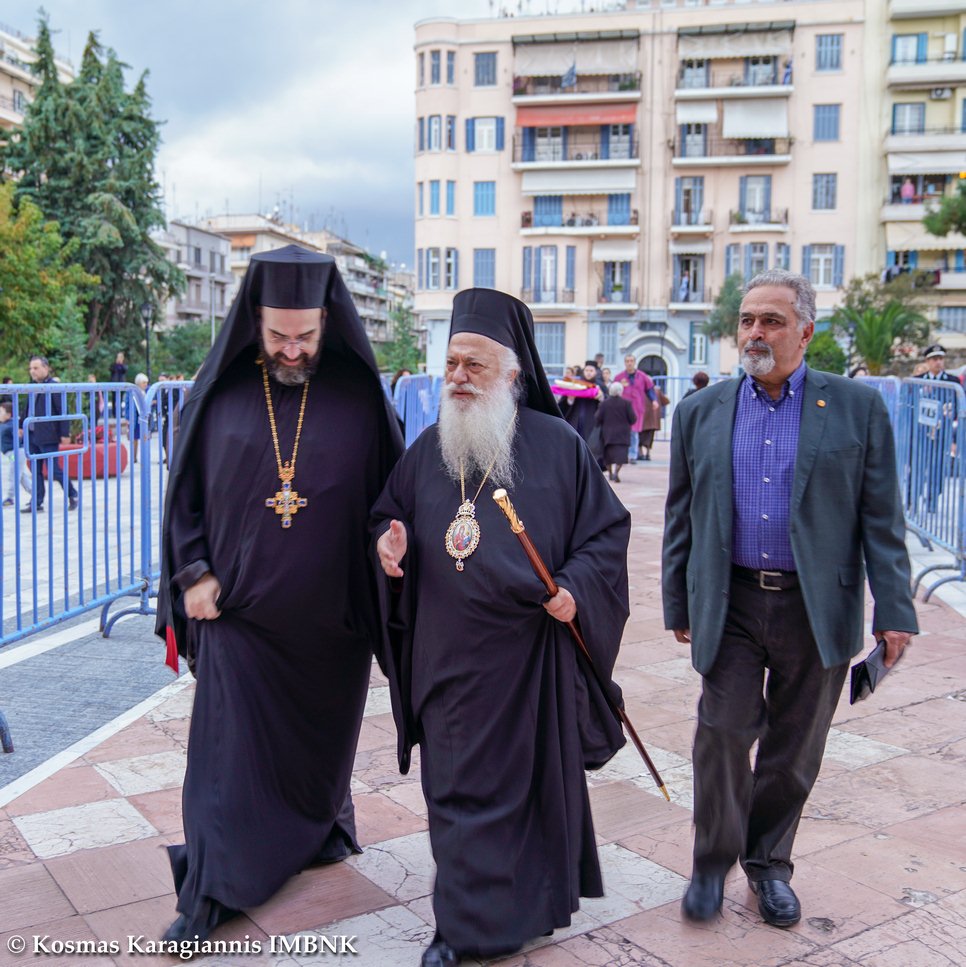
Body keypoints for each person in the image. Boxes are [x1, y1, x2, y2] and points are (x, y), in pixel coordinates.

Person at [372, 288, 630, 966]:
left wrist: (575, 589)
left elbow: (606, 534)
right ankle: (460, 926)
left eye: (475, 365)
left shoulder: (559, 446)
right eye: (452, 363)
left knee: (526, 795)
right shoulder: (427, 449)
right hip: (445, 655)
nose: (458, 376)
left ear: (512, 374)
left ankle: (527, 908)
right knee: (452, 792)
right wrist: (387, 549)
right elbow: (385, 515)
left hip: (528, 662)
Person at [155, 245, 404, 943]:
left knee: (319, 753)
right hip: (240, 618)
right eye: (277, 336)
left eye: (306, 336)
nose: (292, 351)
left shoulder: (359, 395)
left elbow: (391, 498)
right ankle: (209, 892)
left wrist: (391, 538)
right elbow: (184, 495)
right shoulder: (220, 393)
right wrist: (193, 572)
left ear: (327, 322)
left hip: (332, 624)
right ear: (254, 322)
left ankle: (320, 827)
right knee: (222, 762)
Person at [663, 269, 917, 929]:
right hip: (733, 600)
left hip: (817, 605)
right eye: (748, 320)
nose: (755, 332)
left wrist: (895, 610)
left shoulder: (857, 408)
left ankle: (768, 864)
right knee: (722, 733)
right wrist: (677, 602)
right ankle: (711, 863)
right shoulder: (700, 411)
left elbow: (882, 518)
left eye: (771, 321)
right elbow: (681, 515)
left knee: (794, 745)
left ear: (805, 332)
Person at [20, 355, 78, 513]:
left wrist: (65, 433)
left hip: (48, 435)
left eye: (36, 368)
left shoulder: (54, 386)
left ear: (46, 368)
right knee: (35, 470)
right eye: (30, 368)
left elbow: (62, 411)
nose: (32, 371)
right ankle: (37, 502)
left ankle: (73, 494)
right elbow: (27, 408)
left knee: (54, 469)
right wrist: (21, 425)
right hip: (32, 435)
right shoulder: (32, 386)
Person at [914, 344, 959, 513]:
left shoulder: (952, 381)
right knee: (918, 467)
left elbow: (957, 407)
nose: (938, 362)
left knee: (938, 468)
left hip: (942, 433)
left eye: (940, 359)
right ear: (927, 361)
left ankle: (932, 501)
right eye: (934, 359)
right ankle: (913, 500)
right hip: (921, 433)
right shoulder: (918, 380)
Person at [614, 354, 658, 462]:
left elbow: (649, 389)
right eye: (627, 361)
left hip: (637, 408)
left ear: (635, 362)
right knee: (622, 432)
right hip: (622, 409)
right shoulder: (619, 377)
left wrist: (654, 400)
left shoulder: (643, 376)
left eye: (631, 361)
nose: (629, 363)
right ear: (625, 363)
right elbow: (613, 391)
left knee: (634, 432)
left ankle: (633, 455)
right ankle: (622, 455)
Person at [595, 381, 636, 481]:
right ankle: (616, 472)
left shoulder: (604, 404)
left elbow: (597, 418)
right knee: (620, 456)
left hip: (607, 434)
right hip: (623, 434)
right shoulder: (627, 403)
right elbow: (633, 419)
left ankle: (610, 473)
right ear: (621, 391)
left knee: (608, 456)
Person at [561, 361, 604, 442]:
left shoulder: (600, 386)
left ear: (595, 372)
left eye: (591, 371)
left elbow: (606, 402)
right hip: (575, 420)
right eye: (587, 370)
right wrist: (570, 399)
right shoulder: (576, 384)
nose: (589, 373)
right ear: (583, 371)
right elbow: (564, 403)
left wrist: (601, 397)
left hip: (592, 421)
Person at [1, 401, 15, 506]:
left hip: (15, 453)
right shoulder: (4, 424)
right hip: (10, 454)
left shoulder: (11, 425)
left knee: (13, 474)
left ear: (9, 414)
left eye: (1, 412)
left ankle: (10, 497)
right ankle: (35, 493)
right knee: (22, 476)